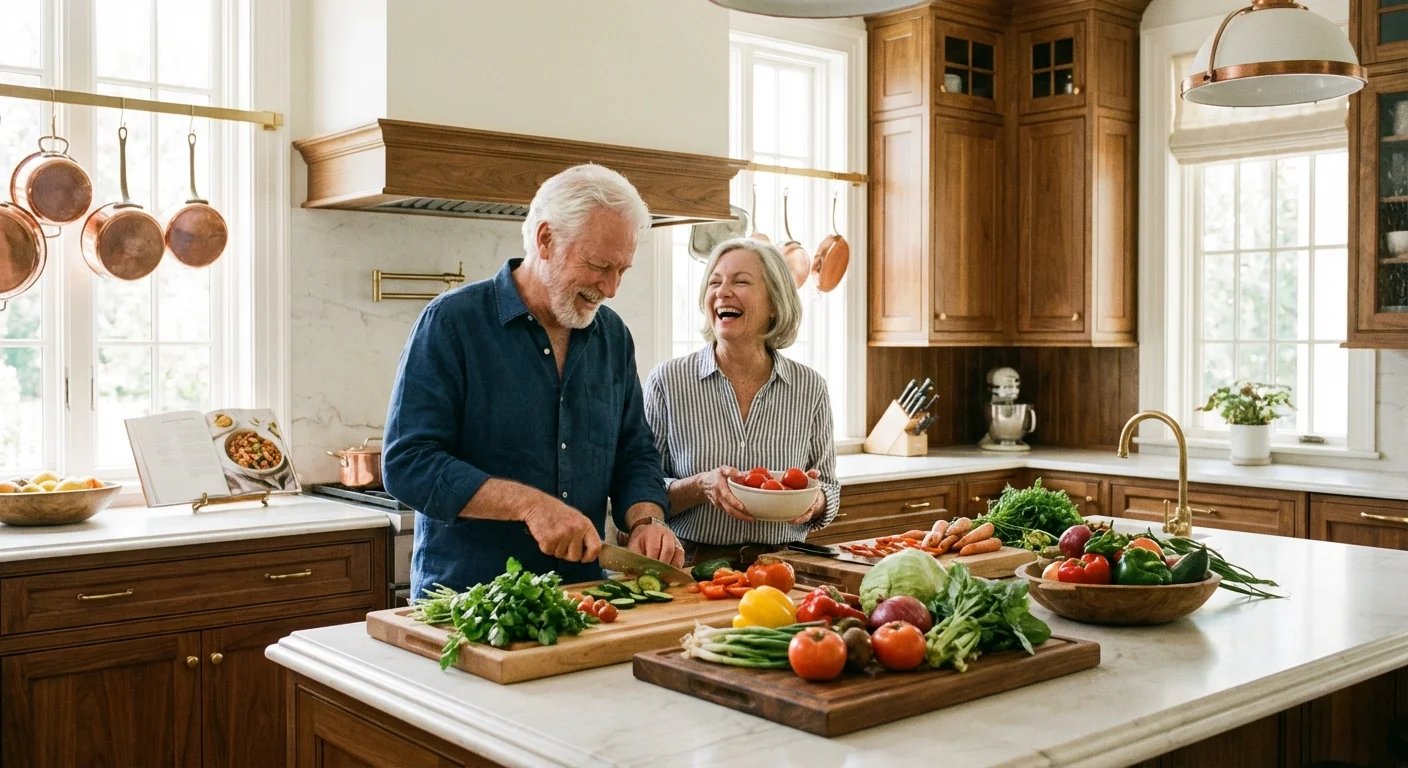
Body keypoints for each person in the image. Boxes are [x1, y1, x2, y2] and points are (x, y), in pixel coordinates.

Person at [383, 164, 683, 600]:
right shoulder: (452, 323)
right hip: (469, 603)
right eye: (599, 265)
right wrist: (530, 505)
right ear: (546, 240)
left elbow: (634, 452)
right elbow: (407, 463)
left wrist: (646, 520)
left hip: (584, 600)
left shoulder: (613, 337)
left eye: (623, 270)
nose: (612, 288)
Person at [643, 237, 840, 567]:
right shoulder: (668, 381)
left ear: (774, 303)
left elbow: (830, 488)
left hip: (783, 568)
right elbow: (642, 492)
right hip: (694, 567)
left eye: (740, 282)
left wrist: (815, 501)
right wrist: (701, 486)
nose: (722, 292)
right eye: (714, 282)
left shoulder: (810, 388)